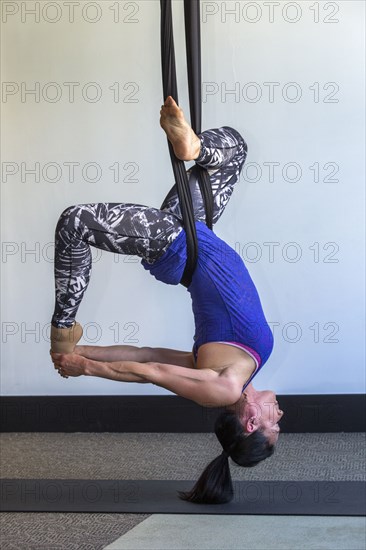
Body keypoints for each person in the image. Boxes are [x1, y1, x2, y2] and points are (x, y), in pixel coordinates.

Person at [50, 96, 284, 504]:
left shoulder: (224, 389)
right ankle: (192, 147)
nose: (280, 416)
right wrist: (88, 352)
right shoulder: (236, 374)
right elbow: (146, 353)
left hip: (177, 247)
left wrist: (82, 365)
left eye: (274, 425)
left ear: (250, 423)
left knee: (75, 222)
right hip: (193, 231)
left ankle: (62, 329)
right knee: (234, 148)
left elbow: (150, 372)